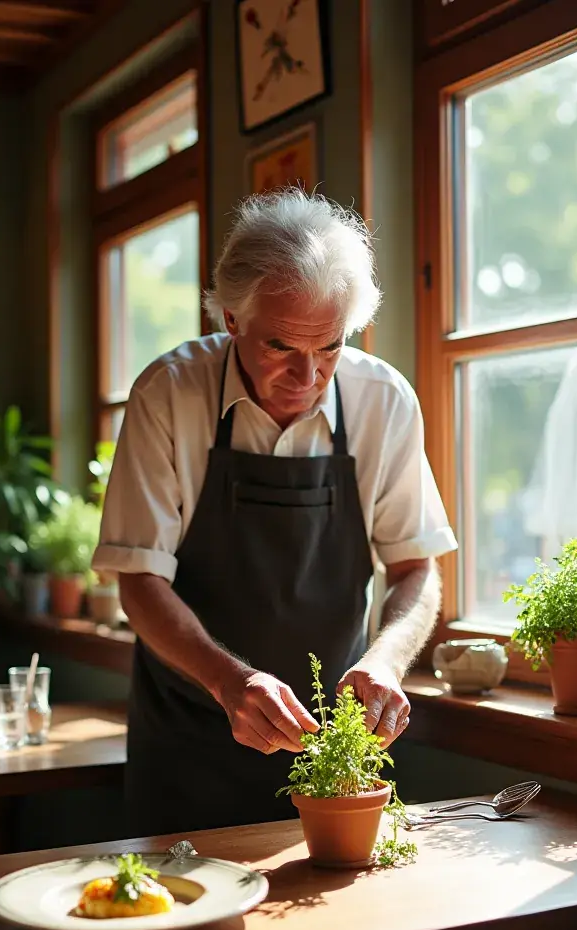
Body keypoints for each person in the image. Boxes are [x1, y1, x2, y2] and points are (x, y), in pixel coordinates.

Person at [93, 188, 458, 839]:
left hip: (333, 751)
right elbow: (140, 581)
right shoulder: (169, 394)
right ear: (232, 319)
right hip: (189, 740)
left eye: (330, 347)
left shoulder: (384, 401)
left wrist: (386, 661)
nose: (308, 375)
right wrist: (229, 681)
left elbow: (416, 569)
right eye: (282, 346)